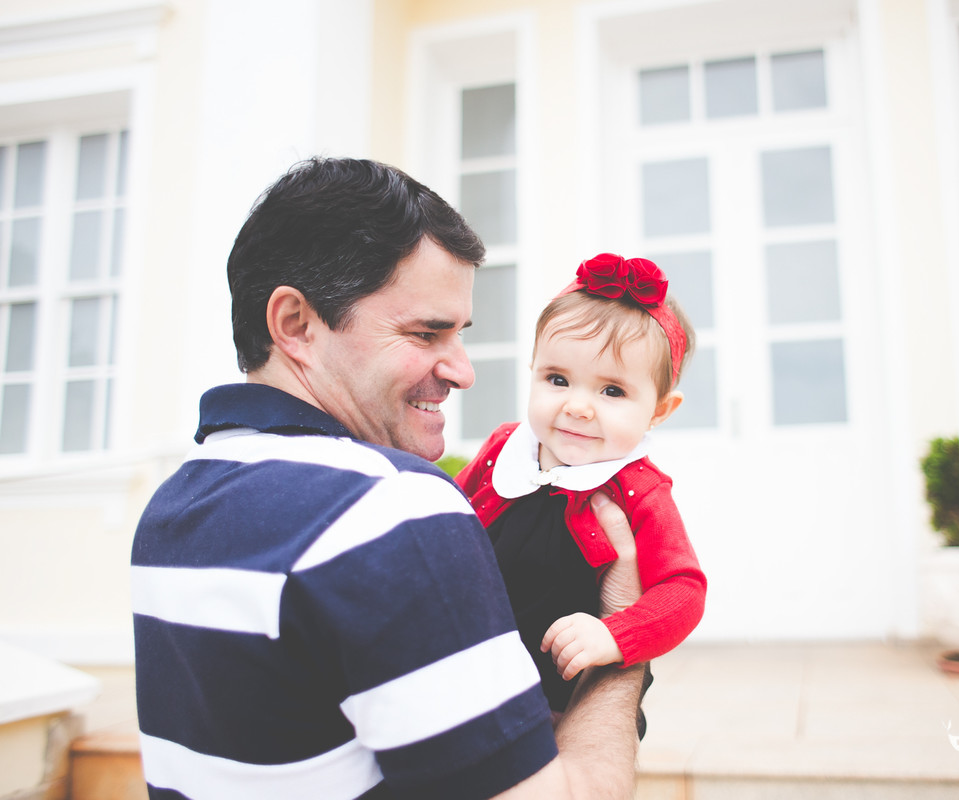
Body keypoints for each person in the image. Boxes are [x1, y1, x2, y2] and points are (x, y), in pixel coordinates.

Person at [129, 157, 648, 799]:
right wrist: (625, 633)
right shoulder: (391, 506)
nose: (463, 371)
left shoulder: (174, 507)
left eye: (459, 335)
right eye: (426, 333)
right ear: (296, 325)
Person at [455, 253, 707, 725]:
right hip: (473, 675)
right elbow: (447, 513)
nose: (578, 407)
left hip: (562, 698)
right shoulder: (505, 450)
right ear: (532, 370)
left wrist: (616, 634)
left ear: (660, 410)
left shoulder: (638, 490)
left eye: (612, 391)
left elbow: (683, 589)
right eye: (558, 379)